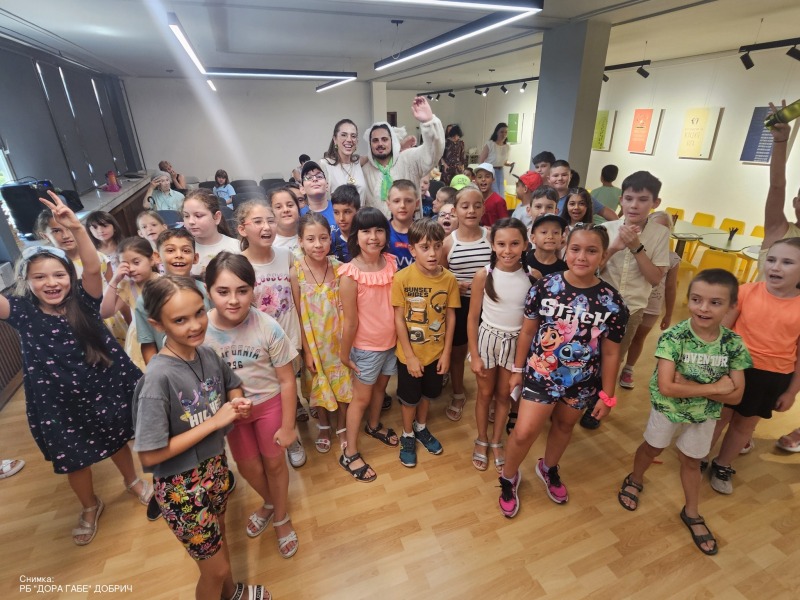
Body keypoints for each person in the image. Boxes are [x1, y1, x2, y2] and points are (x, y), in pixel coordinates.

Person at [1, 192, 147, 545]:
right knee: (74, 459)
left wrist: (77, 229)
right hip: (57, 400)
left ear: (70, 276)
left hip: (101, 386)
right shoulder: (22, 312)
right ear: (26, 283)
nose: (51, 283)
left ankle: (132, 480)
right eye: (39, 277)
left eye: (58, 275)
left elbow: (93, 267)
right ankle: (89, 505)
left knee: (117, 439)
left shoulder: (84, 299)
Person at [132, 276, 269, 600]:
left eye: (198, 313)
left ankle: (232, 593)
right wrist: (214, 422)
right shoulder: (157, 379)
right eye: (180, 320)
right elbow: (149, 455)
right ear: (157, 324)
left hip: (215, 469)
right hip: (180, 488)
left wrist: (237, 402)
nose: (195, 325)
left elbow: (231, 384)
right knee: (214, 570)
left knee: (220, 539)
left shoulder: (206, 354)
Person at [617, 269, 751, 556]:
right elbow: (667, 387)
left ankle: (692, 511)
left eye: (715, 302)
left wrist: (688, 385)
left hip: (705, 415)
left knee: (692, 460)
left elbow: (737, 394)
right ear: (688, 299)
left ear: (731, 306)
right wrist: (716, 387)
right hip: (668, 410)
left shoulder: (733, 344)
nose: (704, 308)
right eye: (697, 299)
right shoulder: (673, 337)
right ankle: (635, 479)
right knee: (652, 447)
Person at [500, 225, 628, 517]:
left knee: (564, 426)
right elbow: (527, 331)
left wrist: (608, 395)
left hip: (582, 382)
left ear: (603, 256)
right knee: (524, 432)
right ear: (565, 251)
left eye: (591, 251)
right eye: (575, 249)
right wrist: (517, 369)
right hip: (541, 375)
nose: (582, 257)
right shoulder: (545, 286)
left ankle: (548, 467)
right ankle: (508, 476)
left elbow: (611, 352)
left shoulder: (612, 301)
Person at [204, 253, 300, 558]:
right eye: (223, 291)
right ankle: (271, 502)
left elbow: (287, 380)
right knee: (247, 467)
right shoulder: (200, 331)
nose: (233, 300)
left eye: (242, 290)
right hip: (232, 414)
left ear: (253, 290)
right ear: (208, 291)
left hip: (269, 406)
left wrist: (289, 426)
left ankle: (281, 517)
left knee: (275, 463)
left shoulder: (268, 327)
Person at [706, 238, 800, 487]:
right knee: (717, 418)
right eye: (772, 259)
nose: (775, 267)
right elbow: (721, 332)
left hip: (772, 377)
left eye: (787, 262)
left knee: (744, 425)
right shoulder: (746, 292)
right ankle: (699, 457)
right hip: (733, 369)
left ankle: (723, 464)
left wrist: (791, 392)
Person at [584, 171, 671, 429]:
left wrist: (636, 247)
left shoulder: (660, 233)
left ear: (655, 203)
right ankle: (578, 397)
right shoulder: (606, 229)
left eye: (643, 200)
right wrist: (613, 248)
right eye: (630, 198)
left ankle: (596, 405)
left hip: (631, 308)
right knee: (587, 354)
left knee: (613, 360)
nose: (634, 205)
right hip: (597, 307)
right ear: (621, 199)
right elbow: (590, 271)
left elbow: (655, 278)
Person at [237, 199, 307, 468]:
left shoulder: (286, 255)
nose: (266, 227)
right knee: (276, 393)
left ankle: (294, 412)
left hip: (290, 338)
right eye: (258, 222)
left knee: (290, 385)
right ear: (242, 229)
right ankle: (291, 439)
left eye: (270, 221)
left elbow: (297, 299)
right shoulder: (239, 264)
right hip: (262, 346)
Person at [338, 208, 400, 482]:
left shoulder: (392, 263)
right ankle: (349, 453)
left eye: (379, 230)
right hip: (365, 349)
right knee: (360, 399)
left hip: (391, 344)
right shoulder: (350, 274)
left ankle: (373, 426)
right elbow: (350, 322)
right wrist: (344, 354)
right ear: (356, 235)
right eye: (366, 231)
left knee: (381, 390)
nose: (373, 237)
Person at [468, 218, 534, 473]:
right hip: (487, 340)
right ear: (492, 245)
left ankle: (496, 440)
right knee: (485, 394)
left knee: (504, 396)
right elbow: (472, 318)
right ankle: (481, 438)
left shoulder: (532, 276)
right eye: (501, 244)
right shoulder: (483, 275)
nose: (508, 250)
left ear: (525, 245)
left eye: (514, 243)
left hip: (516, 344)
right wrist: (474, 355)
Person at [392, 219, 459, 467]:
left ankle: (421, 427)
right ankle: (408, 434)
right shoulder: (402, 278)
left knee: (429, 394)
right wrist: (409, 356)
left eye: (437, 246)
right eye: (425, 247)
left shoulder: (449, 279)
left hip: (436, 354)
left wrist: (447, 353)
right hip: (409, 355)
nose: (432, 253)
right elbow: (398, 319)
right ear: (412, 249)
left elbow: (450, 317)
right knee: (409, 399)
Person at [291, 213, 352, 454]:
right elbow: (298, 315)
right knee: (319, 385)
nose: (318, 244)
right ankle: (324, 426)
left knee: (343, 383)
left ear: (330, 238)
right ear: (300, 241)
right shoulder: (296, 272)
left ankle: (342, 426)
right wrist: (307, 351)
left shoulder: (339, 269)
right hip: (314, 343)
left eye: (323, 238)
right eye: (311, 239)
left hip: (338, 341)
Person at [442, 186, 491, 421]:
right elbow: (440, 274)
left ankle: (490, 396)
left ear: (483, 208)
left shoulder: (491, 237)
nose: (471, 210)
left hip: (490, 306)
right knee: (458, 352)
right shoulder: (447, 243)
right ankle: (458, 392)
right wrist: (454, 283)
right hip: (460, 305)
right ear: (455, 211)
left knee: (490, 352)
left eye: (477, 205)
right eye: (465, 206)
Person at [618, 211, 680, 389]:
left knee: (638, 338)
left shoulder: (672, 258)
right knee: (621, 340)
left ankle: (628, 368)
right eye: (656, 226)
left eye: (664, 228)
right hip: (632, 302)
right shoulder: (631, 251)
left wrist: (669, 314)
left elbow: (670, 287)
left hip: (651, 306)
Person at [362, 97, 445, 217]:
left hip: (411, 226)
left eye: (384, 139)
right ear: (370, 144)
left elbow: (432, 154)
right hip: (378, 228)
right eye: (375, 140)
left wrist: (428, 123)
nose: (380, 144)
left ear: (392, 141)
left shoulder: (408, 159)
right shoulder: (365, 171)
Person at [100, 237, 161, 371]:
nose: (131, 269)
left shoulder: (164, 282)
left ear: (151, 259)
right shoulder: (127, 287)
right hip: (140, 340)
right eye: (126, 265)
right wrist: (114, 281)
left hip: (163, 334)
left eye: (136, 262)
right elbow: (105, 312)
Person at [182, 189, 239, 276]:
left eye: (198, 216)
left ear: (216, 217)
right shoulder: (180, 250)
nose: (191, 221)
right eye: (186, 216)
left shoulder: (237, 247)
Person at [550, 160, 617, 222]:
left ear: (570, 176)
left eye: (564, 175)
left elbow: (608, 213)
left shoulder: (579, 196)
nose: (560, 178)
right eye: (555, 175)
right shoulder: (545, 197)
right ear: (549, 178)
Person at [320, 119, 367, 202]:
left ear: (357, 141)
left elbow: (375, 155)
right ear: (335, 139)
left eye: (353, 136)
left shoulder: (358, 162)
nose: (349, 139)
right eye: (344, 135)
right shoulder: (325, 165)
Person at [524, 213, 568, 279]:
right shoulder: (524, 260)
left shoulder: (564, 270)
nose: (550, 236)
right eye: (544, 232)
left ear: (561, 238)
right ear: (533, 238)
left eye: (556, 232)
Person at [387, 179, 418, 270]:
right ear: (388, 204)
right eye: (396, 201)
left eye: (408, 201)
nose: (402, 205)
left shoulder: (424, 232)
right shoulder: (381, 231)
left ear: (417, 203)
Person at [299, 161, 337, 236]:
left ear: (327, 185)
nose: (315, 179)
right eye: (309, 177)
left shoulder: (338, 208)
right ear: (302, 189)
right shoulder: (299, 215)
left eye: (319, 176)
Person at [478, 123, 515, 196]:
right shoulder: (490, 144)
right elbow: (481, 160)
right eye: (501, 132)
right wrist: (483, 174)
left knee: (501, 192)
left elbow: (504, 162)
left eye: (505, 132)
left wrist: (510, 164)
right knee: (494, 193)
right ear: (497, 132)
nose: (504, 134)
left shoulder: (507, 147)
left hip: (500, 172)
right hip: (490, 171)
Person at [331, 184, 360, 263]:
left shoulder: (366, 237)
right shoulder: (330, 240)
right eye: (336, 212)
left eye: (347, 212)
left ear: (358, 211)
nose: (341, 218)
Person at [474, 163, 509, 227]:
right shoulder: (475, 200)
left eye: (487, 176)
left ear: (493, 180)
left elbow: (505, 225)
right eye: (479, 177)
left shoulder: (498, 201)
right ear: (475, 180)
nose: (483, 179)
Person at [269, 187, 301, 252]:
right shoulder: (268, 243)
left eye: (290, 205)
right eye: (278, 207)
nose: (285, 210)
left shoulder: (310, 234)